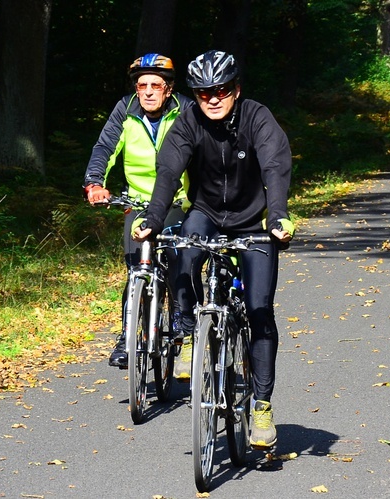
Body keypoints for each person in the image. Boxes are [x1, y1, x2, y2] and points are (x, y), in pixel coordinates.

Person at [133, 50, 293, 449]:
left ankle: (261, 406)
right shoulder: (188, 121)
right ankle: (189, 334)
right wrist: (153, 219)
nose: (214, 99)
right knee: (182, 254)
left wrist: (278, 218)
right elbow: (168, 171)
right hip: (205, 212)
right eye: (205, 93)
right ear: (196, 96)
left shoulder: (258, 117)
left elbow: (275, 166)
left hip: (253, 221)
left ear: (236, 89)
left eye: (222, 90)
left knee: (259, 311)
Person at [83, 53, 194, 368]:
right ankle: (127, 336)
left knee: (178, 264)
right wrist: (94, 184)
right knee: (136, 270)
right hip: (139, 202)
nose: (146, 91)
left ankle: (180, 325)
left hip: (177, 201)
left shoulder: (186, 110)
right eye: (141, 85)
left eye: (154, 85)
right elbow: (105, 148)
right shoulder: (126, 110)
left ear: (168, 89)